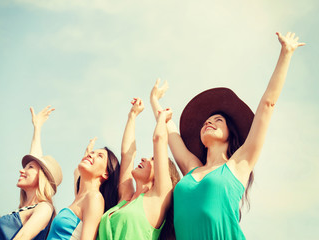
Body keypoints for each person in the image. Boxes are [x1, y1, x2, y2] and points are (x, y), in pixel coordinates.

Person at [150, 32, 305, 239]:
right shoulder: (191, 167)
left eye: (218, 120)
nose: (208, 122)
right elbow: (169, 133)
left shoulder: (239, 164)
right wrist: (154, 101)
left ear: (230, 134)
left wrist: (286, 54)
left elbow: (267, 105)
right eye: (207, 121)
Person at [97, 98, 180, 240]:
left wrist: (161, 119)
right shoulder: (126, 197)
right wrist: (132, 115)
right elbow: (127, 155)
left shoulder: (159, 198)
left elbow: (159, 139)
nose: (144, 159)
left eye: (152, 159)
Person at [0, 105, 63, 240]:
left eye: (30, 168)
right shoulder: (24, 209)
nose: (22, 170)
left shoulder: (44, 207)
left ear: (42, 178)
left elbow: (23, 237)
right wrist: (37, 127)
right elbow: (36, 159)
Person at [46, 137, 120, 240]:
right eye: (92, 153)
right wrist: (88, 153)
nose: (91, 155)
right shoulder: (80, 197)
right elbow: (77, 172)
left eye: (100, 156)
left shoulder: (94, 198)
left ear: (106, 173)